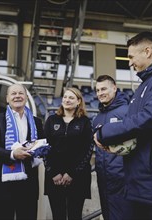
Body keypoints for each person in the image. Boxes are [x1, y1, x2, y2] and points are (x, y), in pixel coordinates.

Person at [94, 31, 152, 220]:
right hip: (142, 183)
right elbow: (136, 131)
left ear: (147, 51)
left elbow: (149, 119)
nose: (129, 62)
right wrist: (117, 147)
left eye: (131, 56)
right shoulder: (146, 84)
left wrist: (105, 133)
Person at [0, 84, 44, 220]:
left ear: (25, 97)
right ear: (7, 98)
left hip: (28, 184)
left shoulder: (37, 122)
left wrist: (39, 149)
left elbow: (42, 146)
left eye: (20, 93)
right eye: (13, 93)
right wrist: (12, 154)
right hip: (3, 186)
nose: (17, 96)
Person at [44, 87, 92, 220]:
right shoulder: (52, 120)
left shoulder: (85, 122)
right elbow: (45, 148)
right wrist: (53, 172)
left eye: (71, 97)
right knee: (57, 215)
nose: (67, 100)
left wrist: (72, 173)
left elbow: (87, 149)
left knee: (75, 215)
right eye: (65, 97)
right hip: (55, 177)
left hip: (77, 176)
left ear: (78, 102)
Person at [93, 75, 132, 220]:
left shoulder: (127, 112)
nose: (100, 93)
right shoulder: (97, 118)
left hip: (122, 178)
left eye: (103, 89)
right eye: (97, 90)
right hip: (103, 178)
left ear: (114, 88)